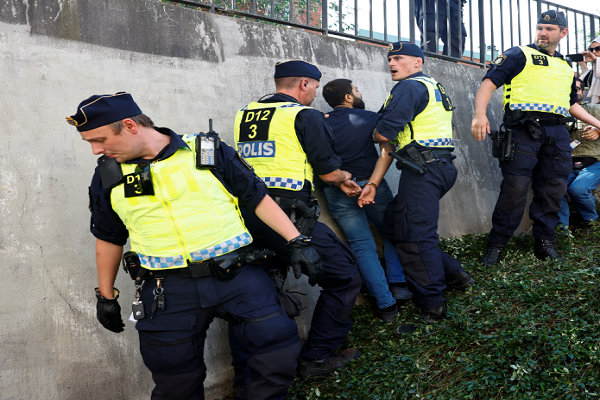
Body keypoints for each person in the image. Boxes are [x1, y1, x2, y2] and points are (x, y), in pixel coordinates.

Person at [69, 92, 324, 400]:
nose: (97, 150)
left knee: (277, 353)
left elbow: (255, 197)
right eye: (90, 143)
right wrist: (106, 296)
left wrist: (296, 240)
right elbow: (109, 236)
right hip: (166, 289)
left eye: (100, 140)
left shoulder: (204, 150)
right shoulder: (107, 175)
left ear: (129, 126)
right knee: (175, 381)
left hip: (237, 276)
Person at [232, 60, 363, 378]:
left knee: (256, 293)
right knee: (345, 276)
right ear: (304, 83)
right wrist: (344, 176)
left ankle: (249, 372)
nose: (316, 93)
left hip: (246, 219)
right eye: (316, 87)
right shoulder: (303, 116)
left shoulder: (246, 113)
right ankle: (315, 359)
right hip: (289, 219)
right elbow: (329, 171)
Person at [471, 10, 600, 266]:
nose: (543, 32)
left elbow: (571, 104)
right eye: (540, 27)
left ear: (562, 33)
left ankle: (545, 243)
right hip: (523, 130)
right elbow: (488, 83)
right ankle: (496, 246)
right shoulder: (518, 54)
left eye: (550, 29)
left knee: (552, 190)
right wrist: (479, 115)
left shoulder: (565, 66)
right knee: (514, 190)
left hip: (557, 133)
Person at [365, 42, 474, 325]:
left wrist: (376, 129)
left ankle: (432, 305)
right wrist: (374, 183)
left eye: (398, 58)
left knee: (414, 236)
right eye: (389, 59)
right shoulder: (427, 86)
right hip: (431, 167)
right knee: (394, 224)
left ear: (417, 62)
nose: (391, 63)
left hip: (425, 168)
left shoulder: (410, 88)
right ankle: (455, 273)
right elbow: (388, 138)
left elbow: (383, 134)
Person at [321, 78, 412, 323]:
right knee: (391, 232)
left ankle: (386, 307)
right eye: (357, 90)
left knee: (362, 246)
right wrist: (371, 184)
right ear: (349, 97)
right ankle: (398, 284)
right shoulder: (370, 118)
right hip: (371, 185)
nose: (360, 93)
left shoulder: (321, 122)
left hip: (337, 189)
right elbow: (388, 145)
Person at [558, 78, 600, 228]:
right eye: (570, 89)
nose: (573, 92)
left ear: (583, 91)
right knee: (556, 189)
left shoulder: (595, 109)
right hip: (566, 162)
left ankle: (592, 224)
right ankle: (562, 232)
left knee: (578, 190)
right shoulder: (559, 111)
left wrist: (598, 130)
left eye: (576, 89)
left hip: (594, 162)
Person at [579, 36, 600, 104]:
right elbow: (588, 80)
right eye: (591, 49)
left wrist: (596, 61)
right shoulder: (596, 69)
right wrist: (581, 63)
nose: (594, 52)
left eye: (598, 48)